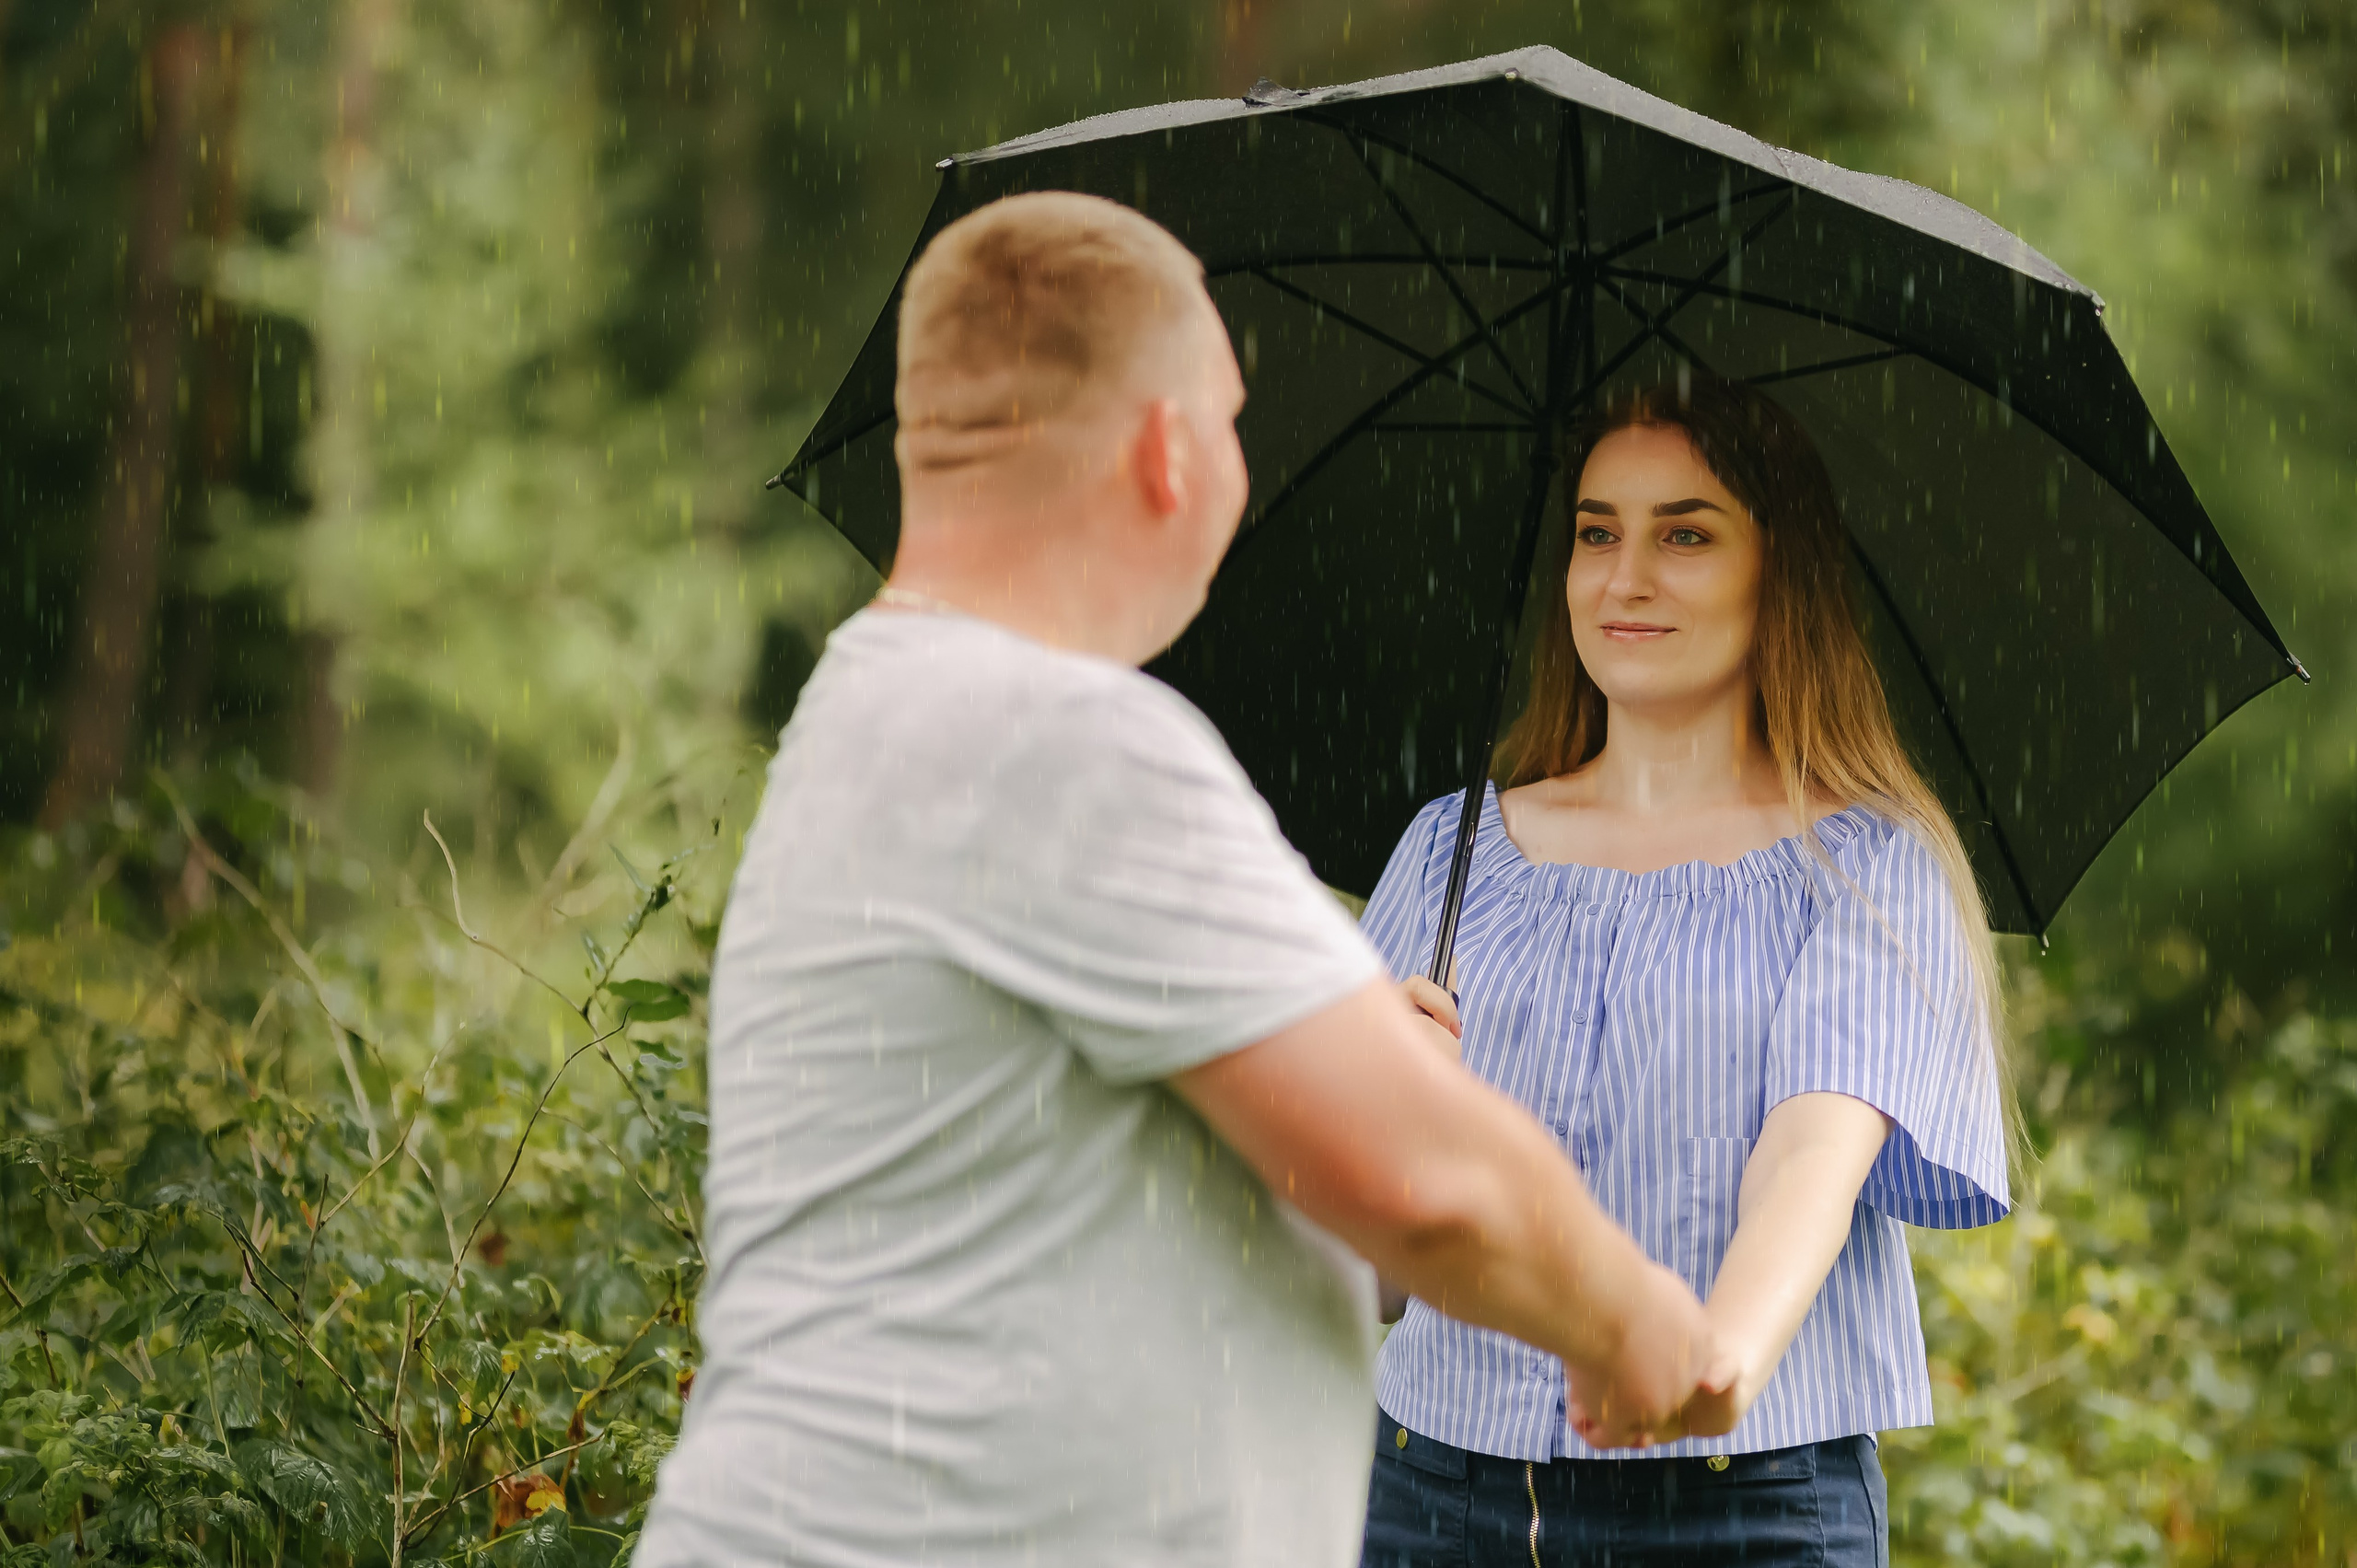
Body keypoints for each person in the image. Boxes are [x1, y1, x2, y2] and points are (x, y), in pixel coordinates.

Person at [634, 192, 1723, 1568]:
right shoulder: (1057, 738)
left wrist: (1352, 1060)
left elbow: (1087, 1183)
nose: (1235, 464)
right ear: (1165, 451)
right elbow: (1433, 1186)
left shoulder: (880, 714)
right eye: (1228, 421)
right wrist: (1642, 1325)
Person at [1357, 374, 2017, 1567]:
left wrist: (1716, 1359)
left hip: (1744, 1508)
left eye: (1687, 534)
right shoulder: (1451, 851)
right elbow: (1362, 1272)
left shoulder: (1867, 866)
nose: (1626, 578)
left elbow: (1810, 1153)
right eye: (1597, 531)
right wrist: (1377, 1135)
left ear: (1782, 573)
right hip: (1428, 1498)